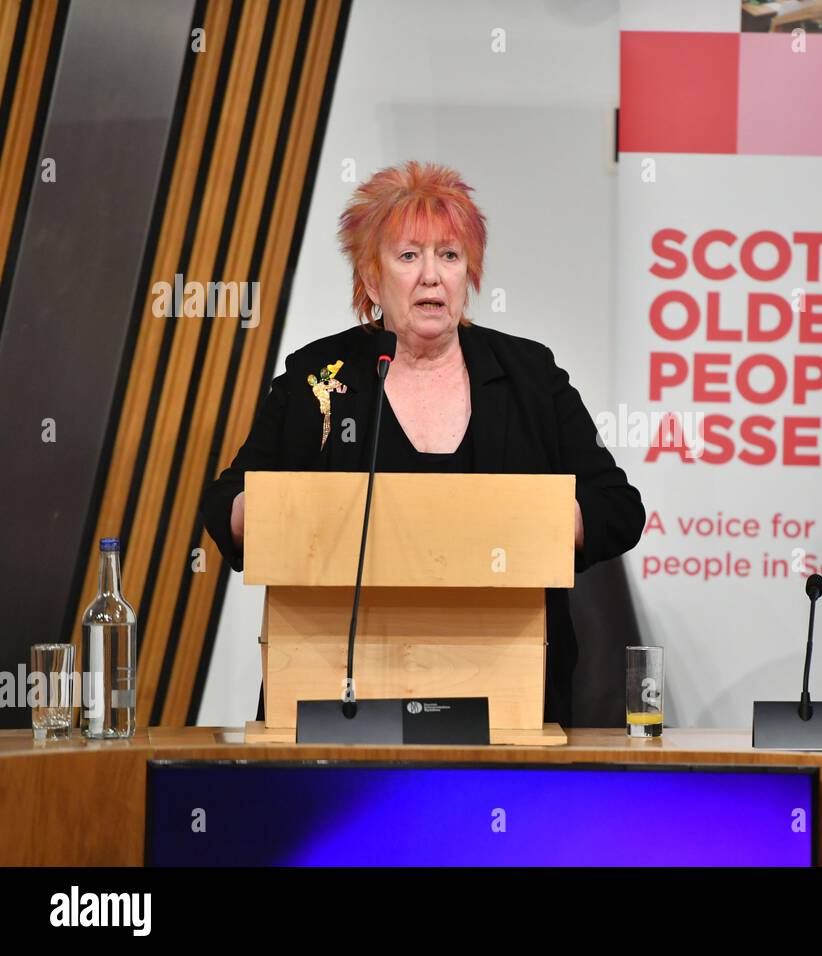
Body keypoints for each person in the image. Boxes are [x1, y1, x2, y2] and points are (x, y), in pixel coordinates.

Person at [198, 161, 646, 728]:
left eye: (450, 256)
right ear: (369, 278)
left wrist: (537, 525)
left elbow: (618, 509)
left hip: (508, 703)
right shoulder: (320, 378)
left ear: (469, 274)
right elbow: (226, 504)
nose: (431, 276)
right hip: (342, 704)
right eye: (409, 256)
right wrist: (286, 515)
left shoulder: (531, 376)